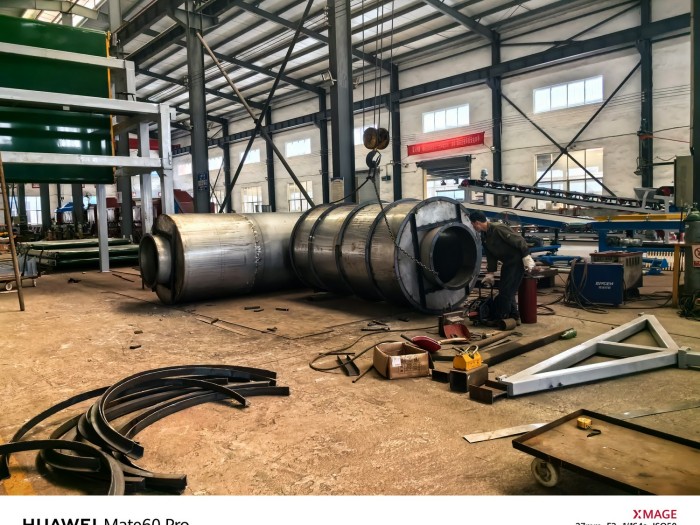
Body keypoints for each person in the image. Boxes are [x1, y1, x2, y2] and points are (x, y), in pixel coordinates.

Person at [469, 210, 536, 326]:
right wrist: (490, 273)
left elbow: (519, 240)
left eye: (472, 224)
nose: (472, 226)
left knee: (506, 291)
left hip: (516, 261)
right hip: (507, 263)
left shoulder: (498, 228)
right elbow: (490, 256)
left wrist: (526, 256)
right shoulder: (484, 236)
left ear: (477, 223)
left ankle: (502, 316)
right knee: (506, 289)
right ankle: (514, 317)